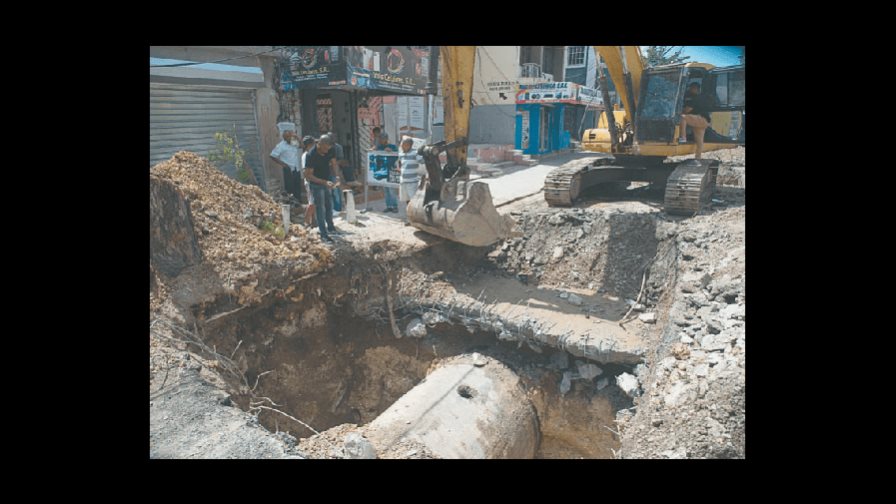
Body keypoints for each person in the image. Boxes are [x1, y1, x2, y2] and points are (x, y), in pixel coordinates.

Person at [303, 134, 342, 242]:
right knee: (320, 208)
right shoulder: (311, 155)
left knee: (329, 205)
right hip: (316, 183)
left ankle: (331, 228)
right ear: (319, 144)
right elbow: (308, 175)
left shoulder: (330, 149)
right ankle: (323, 234)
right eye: (324, 148)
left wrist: (337, 176)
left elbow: (334, 164)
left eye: (328, 148)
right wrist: (324, 182)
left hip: (326, 180)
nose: (326, 151)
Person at [678, 82, 713, 160]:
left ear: (696, 89)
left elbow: (687, 110)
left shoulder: (695, 98)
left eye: (691, 88)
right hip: (704, 122)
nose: (690, 89)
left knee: (683, 117)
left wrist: (678, 112)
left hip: (700, 119)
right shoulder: (701, 97)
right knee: (699, 142)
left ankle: (683, 138)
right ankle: (698, 159)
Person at [270, 123, 302, 201]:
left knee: (297, 186)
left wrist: (297, 137)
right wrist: (283, 164)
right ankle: (291, 204)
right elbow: (272, 155)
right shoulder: (281, 146)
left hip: (296, 168)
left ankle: (299, 203)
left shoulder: (293, 143)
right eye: (287, 136)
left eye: (290, 136)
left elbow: (301, 146)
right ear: (284, 137)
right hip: (288, 169)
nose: (289, 138)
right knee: (290, 188)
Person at [398, 136, 422, 221]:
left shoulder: (415, 153)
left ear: (410, 145)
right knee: (407, 200)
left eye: (404, 144)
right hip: (403, 181)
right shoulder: (401, 153)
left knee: (413, 201)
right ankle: (409, 217)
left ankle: (415, 218)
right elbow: (400, 163)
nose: (402, 146)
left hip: (412, 182)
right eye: (402, 144)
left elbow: (422, 162)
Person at [373, 132, 399, 212]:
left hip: (391, 170)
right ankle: (389, 206)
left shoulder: (393, 146)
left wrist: (391, 152)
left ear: (386, 139)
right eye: (379, 139)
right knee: (386, 190)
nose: (380, 140)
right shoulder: (379, 147)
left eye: (382, 139)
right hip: (383, 171)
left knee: (391, 189)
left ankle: (395, 206)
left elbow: (397, 156)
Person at [327, 131, 346, 212]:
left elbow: (341, 160)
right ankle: (332, 209)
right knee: (329, 192)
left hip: (335, 172)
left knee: (336, 191)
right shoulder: (325, 146)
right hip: (326, 172)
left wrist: (332, 163)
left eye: (332, 138)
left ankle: (338, 208)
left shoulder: (338, 147)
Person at [301, 135, 316, 226]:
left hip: (311, 180)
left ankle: (313, 222)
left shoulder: (309, 154)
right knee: (312, 203)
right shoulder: (306, 155)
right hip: (310, 181)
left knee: (313, 202)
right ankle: (306, 221)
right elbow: (305, 170)